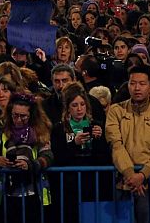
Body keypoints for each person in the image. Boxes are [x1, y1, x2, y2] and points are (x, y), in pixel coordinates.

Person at [105, 65, 150, 223]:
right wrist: (131, 175)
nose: (137, 88)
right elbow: (116, 145)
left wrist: (142, 175)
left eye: (142, 84)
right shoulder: (115, 111)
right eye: (132, 83)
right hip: (122, 182)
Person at [50, 82, 110, 222]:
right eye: (74, 105)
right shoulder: (59, 129)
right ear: (67, 108)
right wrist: (74, 144)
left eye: (82, 104)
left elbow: (104, 157)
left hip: (92, 183)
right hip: (68, 185)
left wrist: (99, 139)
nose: (79, 109)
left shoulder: (96, 125)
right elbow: (57, 157)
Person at [0, 93, 53, 223]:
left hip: (34, 192)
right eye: (15, 115)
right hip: (4, 193)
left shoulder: (40, 130)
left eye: (23, 116)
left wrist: (30, 164)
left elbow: (48, 156)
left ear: (32, 115)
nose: (18, 119)